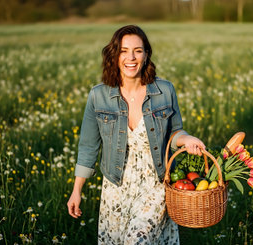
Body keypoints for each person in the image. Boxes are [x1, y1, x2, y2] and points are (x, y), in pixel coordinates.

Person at [67, 25, 206, 244]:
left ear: (146, 54)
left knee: (136, 239)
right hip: (115, 188)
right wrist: (77, 191)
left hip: (155, 184)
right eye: (124, 50)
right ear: (114, 55)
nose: (131, 57)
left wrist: (186, 139)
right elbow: (88, 146)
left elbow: (175, 131)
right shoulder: (98, 96)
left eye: (138, 51)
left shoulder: (164, 90)